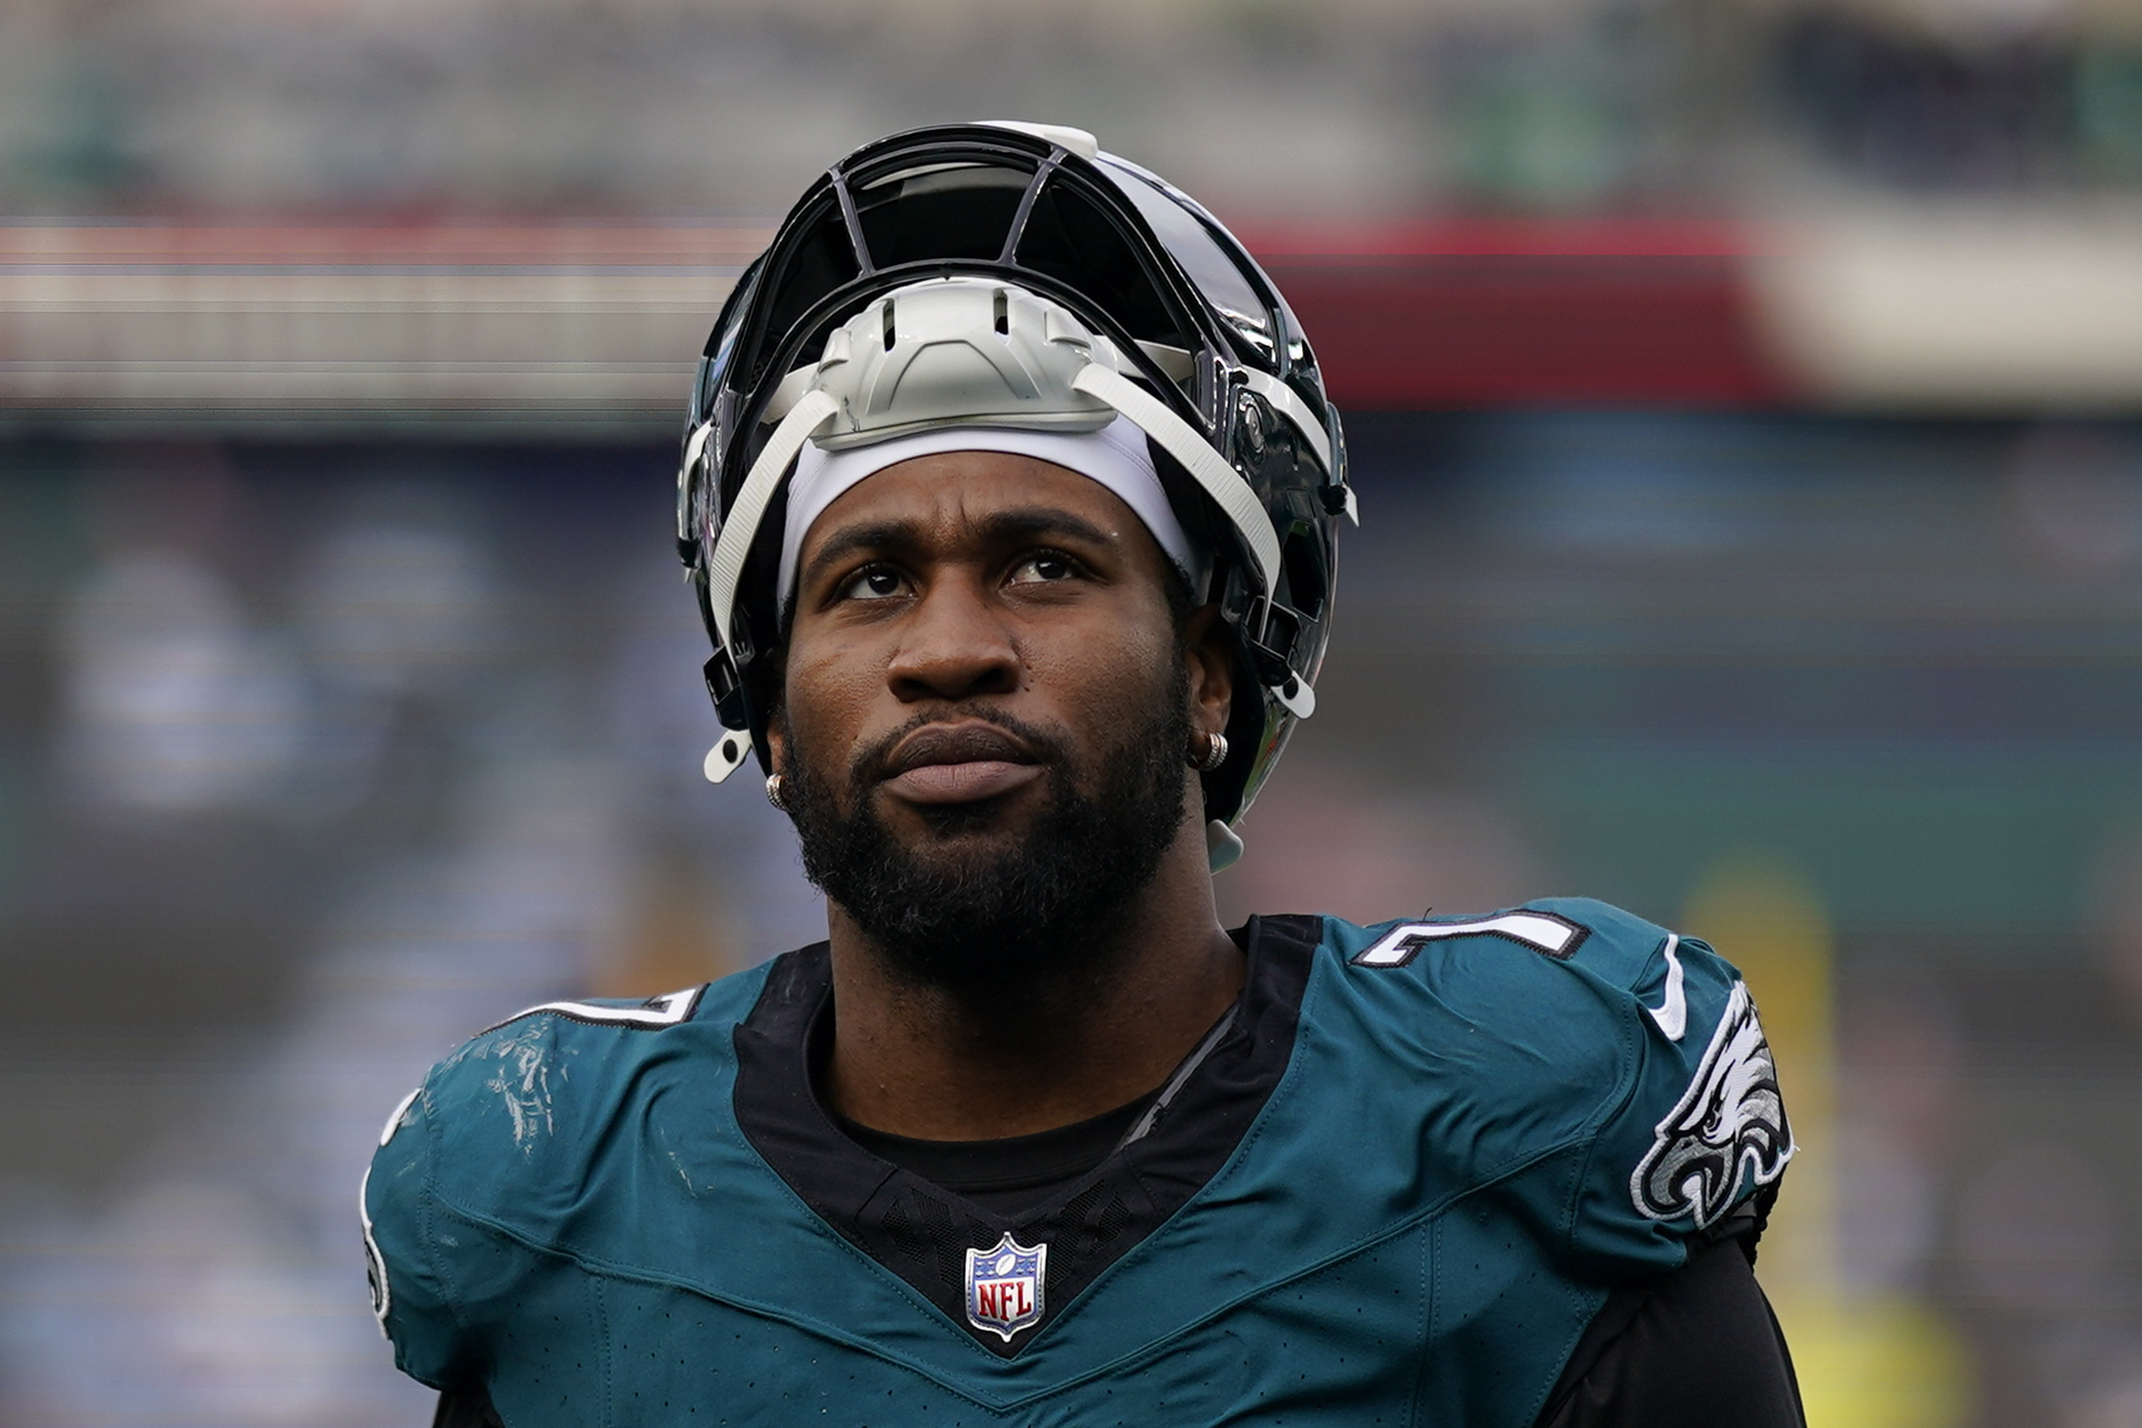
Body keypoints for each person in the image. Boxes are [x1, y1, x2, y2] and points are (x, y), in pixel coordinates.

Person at [364, 122, 1803, 1427]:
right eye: (867, 581)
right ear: (772, 709)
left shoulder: (1517, 1155)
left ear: (1209, 669)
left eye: (1044, 565)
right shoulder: (565, 1217)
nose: (947, 650)